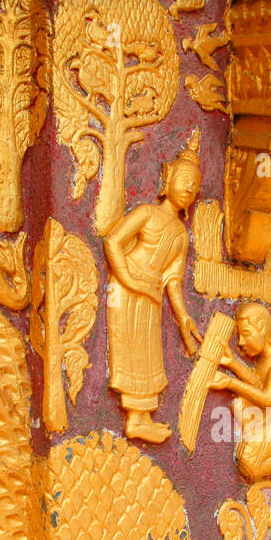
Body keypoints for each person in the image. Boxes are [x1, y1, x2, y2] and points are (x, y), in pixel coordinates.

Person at [102, 130, 204, 443]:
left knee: (148, 356)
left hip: (151, 295)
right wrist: (127, 278)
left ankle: (141, 417)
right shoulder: (147, 213)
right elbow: (114, 240)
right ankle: (134, 418)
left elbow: (173, 279)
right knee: (130, 352)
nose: (189, 186)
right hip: (128, 288)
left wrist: (184, 316)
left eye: (195, 183)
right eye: (184, 178)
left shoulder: (180, 234)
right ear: (168, 177)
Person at [209, 302, 271, 481]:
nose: (240, 342)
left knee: (249, 465)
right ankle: (260, 441)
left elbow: (268, 398)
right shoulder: (263, 358)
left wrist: (230, 383)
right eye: (240, 336)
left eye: (246, 334)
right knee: (239, 404)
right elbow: (257, 384)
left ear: (262, 329)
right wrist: (233, 363)